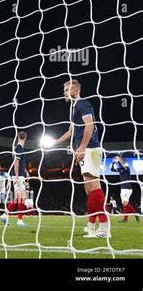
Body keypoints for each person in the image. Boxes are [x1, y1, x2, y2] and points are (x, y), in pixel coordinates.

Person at [53, 79, 110, 238]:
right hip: (87, 148)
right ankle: (91, 226)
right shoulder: (74, 108)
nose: (64, 92)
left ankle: (104, 229)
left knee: (93, 186)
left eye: (66, 89)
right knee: (88, 189)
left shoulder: (82, 103)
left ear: (76, 91)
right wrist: (54, 143)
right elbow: (71, 131)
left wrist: (83, 147)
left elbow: (90, 125)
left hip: (90, 148)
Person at [1, 131, 29, 227]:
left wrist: (26, 171)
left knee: (18, 198)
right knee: (22, 198)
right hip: (18, 176)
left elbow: (20, 162)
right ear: (25, 138)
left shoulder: (17, 148)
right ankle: (19, 220)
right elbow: (16, 162)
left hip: (20, 175)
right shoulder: (19, 148)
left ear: (18, 137)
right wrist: (17, 176)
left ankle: (5, 215)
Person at [110, 156, 140, 223]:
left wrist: (118, 161)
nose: (119, 161)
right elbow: (112, 170)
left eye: (120, 160)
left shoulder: (127, 168)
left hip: (128, 188)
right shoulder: (120, 169)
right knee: (124, 204)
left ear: (123, 161)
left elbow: (122, 167)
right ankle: (134, 215)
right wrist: (113, 163)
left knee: (124, 202)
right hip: (122, 188)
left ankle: (126, 219)